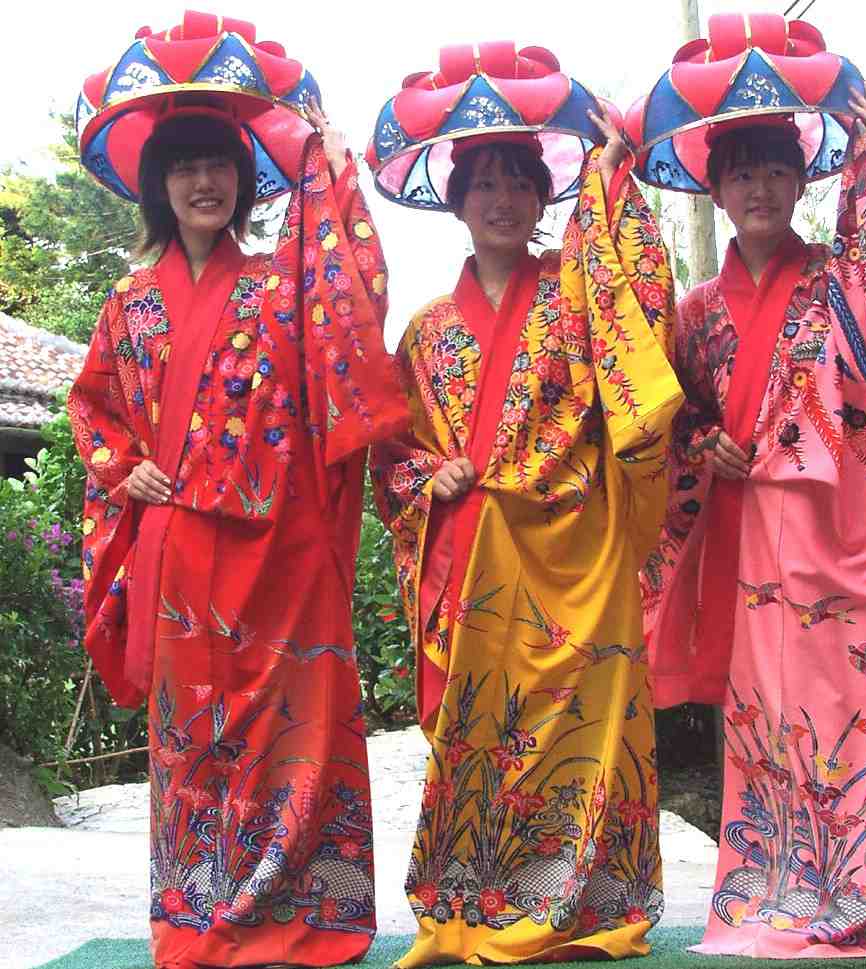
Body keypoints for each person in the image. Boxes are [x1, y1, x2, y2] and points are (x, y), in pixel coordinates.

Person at [642, 87, 866, 956]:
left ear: (803, 181)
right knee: (770, 721)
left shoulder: (844, 281)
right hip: (751, 547)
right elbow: (668, 412)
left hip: (842, 535)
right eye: (740, 173)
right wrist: (703, 440)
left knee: (865, 702)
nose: (759, 187)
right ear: (716, 190)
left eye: (775, 169)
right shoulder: (695, 312)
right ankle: (777, 888)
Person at [69, 97, 408, 968]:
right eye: (183, 165)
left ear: (243, 179)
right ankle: (199, 911)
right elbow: (95, 407)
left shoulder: (281, 285)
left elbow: (350, 309)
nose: (203, 181)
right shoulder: (127, 303)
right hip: (180, 549)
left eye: (218, 163)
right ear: (158, 184)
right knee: (190, 736)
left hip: (281, 549)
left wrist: (332, 171)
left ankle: (303, 911)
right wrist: (123, 467)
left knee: (288, 725)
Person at [371, 108, 684, 965]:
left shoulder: (576, 296)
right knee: (481, 734)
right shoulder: (427, 331)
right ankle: (475, 902)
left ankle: (583, 902)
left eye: (519, 181)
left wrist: (609, 178)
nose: (502, 198)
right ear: (456, 201)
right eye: (483, 183)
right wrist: (427, 475)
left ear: (546, 196)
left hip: (577, 556)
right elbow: (391, 453)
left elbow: (638, 322)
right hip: (472, 556)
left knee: (584, 733)